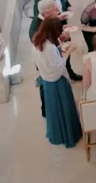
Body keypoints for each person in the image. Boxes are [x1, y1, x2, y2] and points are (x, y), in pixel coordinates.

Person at [32, 16, 83, 147]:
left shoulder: (37, 41)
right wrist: (69, 51)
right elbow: (59, 67)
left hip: (47, 81)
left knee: (53, 110)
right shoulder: (49, 48)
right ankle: (69, 135)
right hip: (57, 83)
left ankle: (58, 133)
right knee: (64, 108)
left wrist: (60, 44)